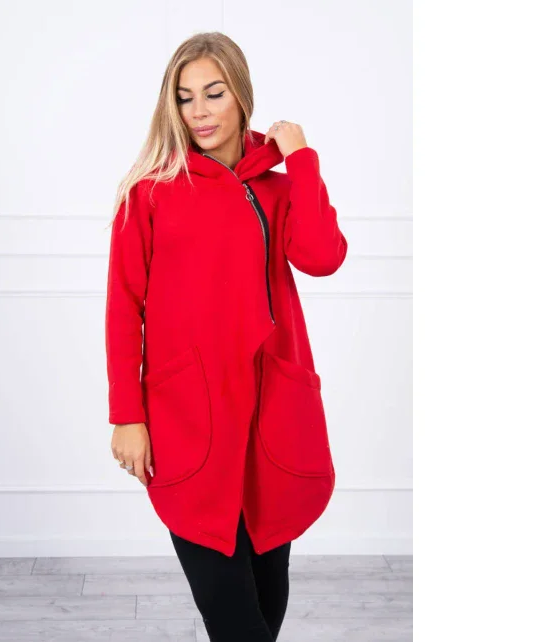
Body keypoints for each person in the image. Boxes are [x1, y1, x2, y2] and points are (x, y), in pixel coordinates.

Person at [104, 31, 347, 641]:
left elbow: (322, 257)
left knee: (266, 607)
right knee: (235, 619)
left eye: (214, 94)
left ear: (242, 96)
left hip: (273, 416)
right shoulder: (149, 192)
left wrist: (302, 159)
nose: (199, 112)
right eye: (185, 98)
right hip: (189, 419)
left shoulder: (278, 187)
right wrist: (127, 414)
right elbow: (123, 307)